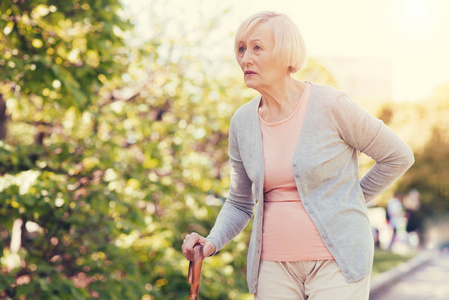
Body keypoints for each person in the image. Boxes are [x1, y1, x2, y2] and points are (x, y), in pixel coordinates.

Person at [182, 11, 414, 299]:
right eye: (241, 49)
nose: (245, 59)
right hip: (273, 268)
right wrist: (211, 242)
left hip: (338, 263)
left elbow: (397, 156)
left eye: (256, 47)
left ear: (285, 53)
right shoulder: (242, 122)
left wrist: (350, 200)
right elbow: (240, 202)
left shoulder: (330, 105)